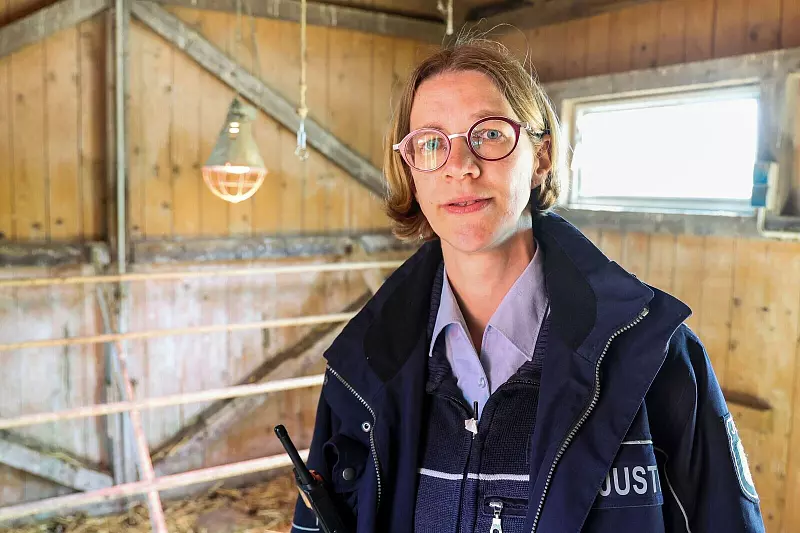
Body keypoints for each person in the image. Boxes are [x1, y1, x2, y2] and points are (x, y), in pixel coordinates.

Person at [290, 36, 766, 533]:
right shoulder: (360, 368)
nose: (461, 166)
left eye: (490, 134)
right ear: (411, 172)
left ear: (540, 157)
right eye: (430, 142)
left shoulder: (657, 358)